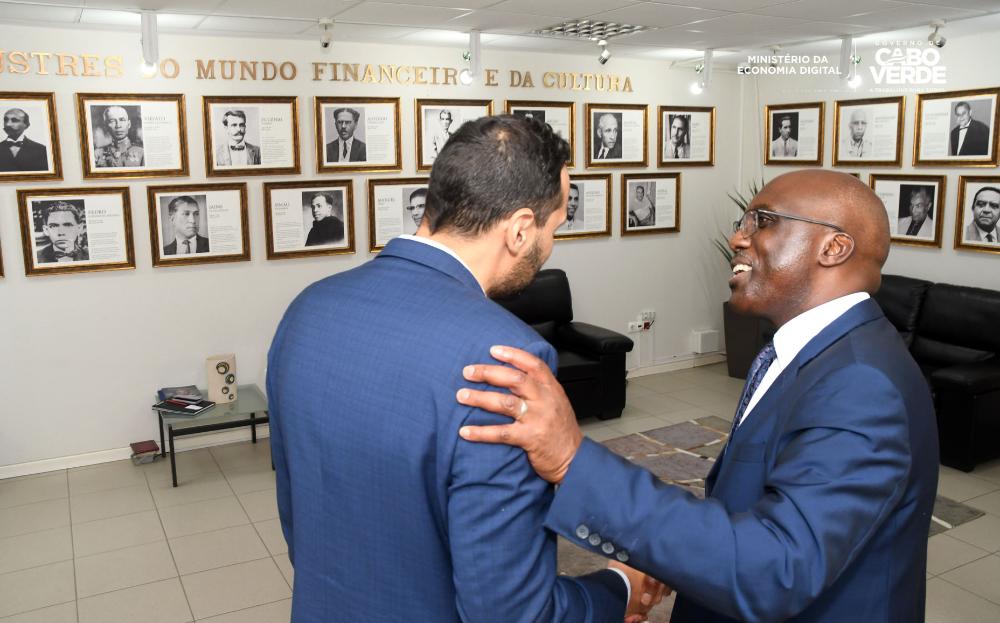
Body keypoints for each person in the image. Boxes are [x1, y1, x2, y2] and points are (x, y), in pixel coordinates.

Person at [458, 169, 940, 623]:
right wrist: (682, 557)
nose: (737, 237)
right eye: (743, 221)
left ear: (833, 248)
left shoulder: (861, 384)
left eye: (762, 221)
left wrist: (573, 459)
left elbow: (777, 567)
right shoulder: (812, 353)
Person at [266, 115, 663, 622]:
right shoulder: (506, 357)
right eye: (555, 226)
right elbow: (511, 612)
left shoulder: (307, 310)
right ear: (521, 230)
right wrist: (618, 588)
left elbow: (299, 518)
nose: (550, 246)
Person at [0, 108, 48, 172]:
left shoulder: (42, 150)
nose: (8, 124)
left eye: (14, 120)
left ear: (26, 125)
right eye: (6, 120)